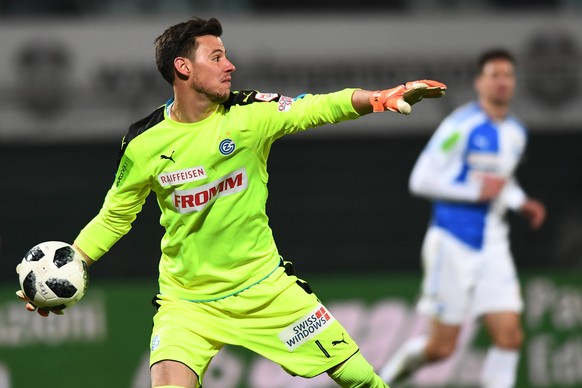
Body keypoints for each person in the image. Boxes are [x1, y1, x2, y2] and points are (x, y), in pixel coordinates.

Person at [15, 17, 446, 388]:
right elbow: (115, 216)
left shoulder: (249, 116)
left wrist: (378, 99)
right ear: (183, 67)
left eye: (226, 56)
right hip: (187, 302)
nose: (230, 65)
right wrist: (65, 269)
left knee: (361, 379)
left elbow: (318, 108)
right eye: (216, 57)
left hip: (265, 291)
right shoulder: (144, 142)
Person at [379, 48, 546, 388]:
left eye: (507, 75)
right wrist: (474, 193)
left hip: (494, 245)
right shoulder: (460, 125)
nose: (502, 82)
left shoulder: (516, 131)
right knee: (441, 348)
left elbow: (501, 179)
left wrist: (520, 201)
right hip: (452, 242)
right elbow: (420, 179)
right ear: (479, 82)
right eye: (494, 75)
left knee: (510, 336)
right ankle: (384, 379)